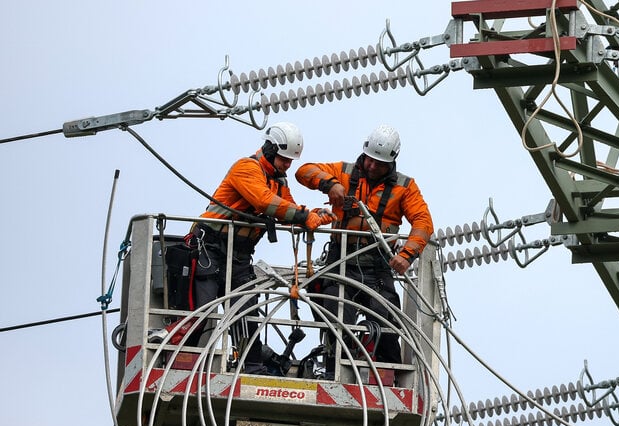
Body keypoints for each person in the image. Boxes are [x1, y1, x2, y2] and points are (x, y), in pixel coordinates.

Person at [151, 122, 334, 374]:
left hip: (239, 255)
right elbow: (264, 201)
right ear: (270, 149)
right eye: (284, 159)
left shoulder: (278, 180)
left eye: (291, 161)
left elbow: (286, 208)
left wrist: (311, 213)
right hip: (211, 248)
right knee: (201, 311)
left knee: (247, 311)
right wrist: (303, 215)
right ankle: (178, 360)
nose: (287, 165)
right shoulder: (246, 167)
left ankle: (253, 366)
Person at [295, 123, 434, 377]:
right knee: (336, 317)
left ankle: (387, 375)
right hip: (341, 262)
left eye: (378, 164)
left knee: (386, 321)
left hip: (378, 267)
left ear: (391, 162)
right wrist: (329, 184)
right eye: (370, 161)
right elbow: (304, 172)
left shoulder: (405, 187)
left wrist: (406, 255)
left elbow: (423, 223)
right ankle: (334, 371)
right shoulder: (344, 173)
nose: (371, 167)